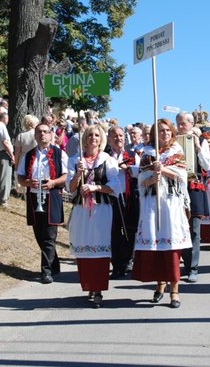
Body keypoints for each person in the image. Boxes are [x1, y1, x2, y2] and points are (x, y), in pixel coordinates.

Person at [132, 118, 192, 308]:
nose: (164, 133)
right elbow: (140, 178)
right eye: (160, 131)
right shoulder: (148, 153)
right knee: (156, 247)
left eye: (167, 130)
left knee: (171, 248)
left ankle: (175, 291)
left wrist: (163, 169)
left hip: (171, 203)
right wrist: (150, 179)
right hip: (152, 202)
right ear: (154, 134)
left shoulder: (177, 151)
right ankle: (160, 285)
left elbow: (182, 176)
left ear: (172, 132)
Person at [66, 124, 120, 308]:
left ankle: (98, 290)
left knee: (100, 248)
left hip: (101, 209)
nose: (93, 138)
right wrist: (78, 174)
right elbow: (70, 188)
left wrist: (96, 187)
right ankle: (89, 284)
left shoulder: (108, 160)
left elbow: (116, 187)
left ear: (101, 139)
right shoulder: (75, 160)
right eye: (90, 135)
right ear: (85, 138)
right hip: (81, 210)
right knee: (84, 248)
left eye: (97, 135)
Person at [17, 123, 68, 284]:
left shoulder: (60, 154)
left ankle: (45, 271)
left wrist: (53, 182)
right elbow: (20, 176)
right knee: (39, 234)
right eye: (39, 132)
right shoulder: (28, 155)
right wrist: (27, 183)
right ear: (35, 135)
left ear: (51, 134)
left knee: (49, 234)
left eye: (45, 132)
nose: (42, 135)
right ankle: (55, 264)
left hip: (52, 196)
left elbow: (66, 176)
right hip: (34, 197)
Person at [176, 111, 210, 282]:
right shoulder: (173, 141)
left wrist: (198, 147)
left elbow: (207, 165)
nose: (180, 127)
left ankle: (193, 268)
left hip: (194, 186)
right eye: (178, 123)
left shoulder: (201, 141)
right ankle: (186, 264)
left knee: (194, 229)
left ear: (191, 124)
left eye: (183, 123)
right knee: (181, 227)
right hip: (177, 187)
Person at [107, 126, 140, 279]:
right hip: (112, 198)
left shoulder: (133, 154)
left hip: (130, 197)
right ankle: (116, 265)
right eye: (114, 136)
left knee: (130, 231)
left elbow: (141, 172)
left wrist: (128, 168)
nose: (118, 138)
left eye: (120, 135)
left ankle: (127, 261)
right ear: (108, 139)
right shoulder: (105, 156)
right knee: (114, 232)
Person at [0, 111, 14, 207]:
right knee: (5, 177)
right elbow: (5, 141)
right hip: (3, 153)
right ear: (5, 118)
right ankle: (3, 200)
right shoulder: (1, 126)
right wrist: (12, 155)